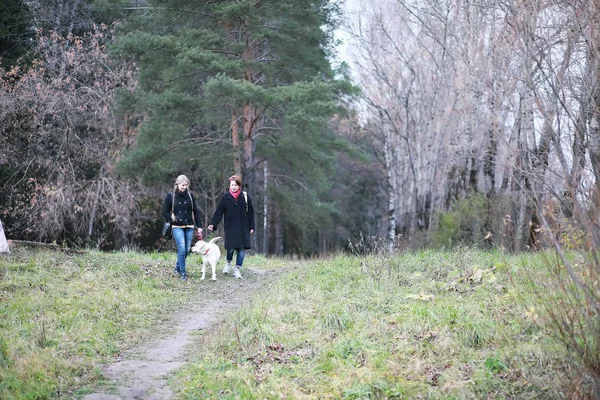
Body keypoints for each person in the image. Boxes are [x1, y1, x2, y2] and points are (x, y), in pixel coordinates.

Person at [208, 175, 255, 279]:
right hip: (231, 228)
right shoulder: (225, 197)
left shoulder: (245, 197)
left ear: (239, 186)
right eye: (232, 185)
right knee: (230, 249)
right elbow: (219, 212)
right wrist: (213, 223)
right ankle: (228, 263)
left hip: (244, 228)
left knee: (241, 250)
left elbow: (251, 213)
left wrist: (252, 226)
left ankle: (237, 269)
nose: (233, 187)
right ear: (229, 185)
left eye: (236, 185)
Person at [162, 175, 202, 281]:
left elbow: (196, 211)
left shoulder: (190, 196)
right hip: (177, 226)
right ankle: (183, 273)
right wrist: (171, 217)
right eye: (182, 185)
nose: (184, 187)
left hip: (189, 225)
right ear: (177, 184)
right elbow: (164, 211)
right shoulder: (171, 196)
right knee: (182, 248)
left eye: (185, 185)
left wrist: (199, 226)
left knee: (187, 250)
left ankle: (177, 267)